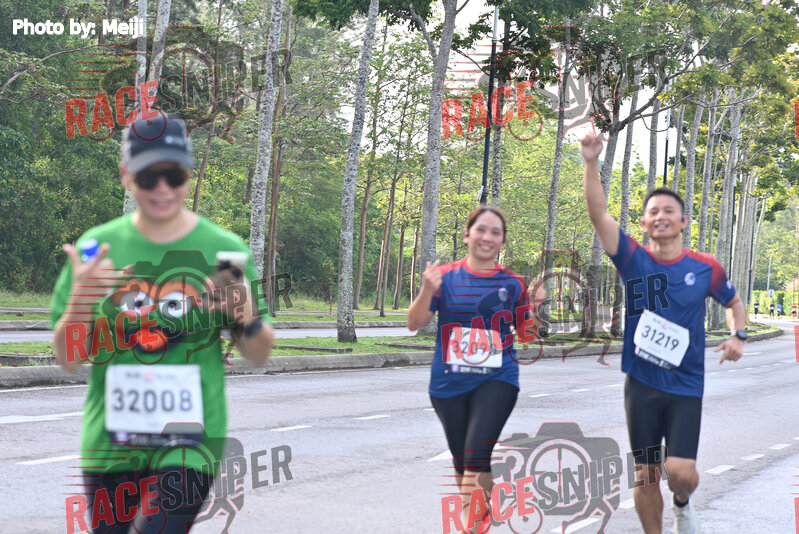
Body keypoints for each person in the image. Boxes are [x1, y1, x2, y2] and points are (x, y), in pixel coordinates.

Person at [51, 113, 274, 533]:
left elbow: (259, 353)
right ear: (126, 176)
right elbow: (68, 359)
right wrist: (81, 298)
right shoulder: (97, 249)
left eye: (173, 176)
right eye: (148, 177)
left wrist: (243, 312)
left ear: (188, 176)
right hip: (111, 444)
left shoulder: (223, 250)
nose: (162, 189)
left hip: (190, 444)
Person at [581, 132, 746, 534]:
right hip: (641, 384)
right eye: (652, 211)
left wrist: (738, 335)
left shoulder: (705, 267)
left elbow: (733, 303)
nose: (660, 216)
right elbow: (599, 214)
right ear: (644, 223)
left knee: (681, 474)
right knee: (646, 474)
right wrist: (590, 162)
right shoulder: (632, 259)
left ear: (683, 221)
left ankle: (683, 502)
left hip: (685, 385)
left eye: (669, 210)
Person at [407, 205, 544, 534]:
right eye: (481, 229)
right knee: (463, 463)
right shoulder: (445, 277)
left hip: (498, 379)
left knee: (474, 457)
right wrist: (427, 289)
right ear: (467, 235)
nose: (487, 237)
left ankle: (470, 527)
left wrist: (536, 308)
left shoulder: (513, 283)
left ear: (502, 241)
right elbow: (414, 323)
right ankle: (480, 517)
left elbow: (527, 334)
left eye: (496, 232)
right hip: (448, 383)